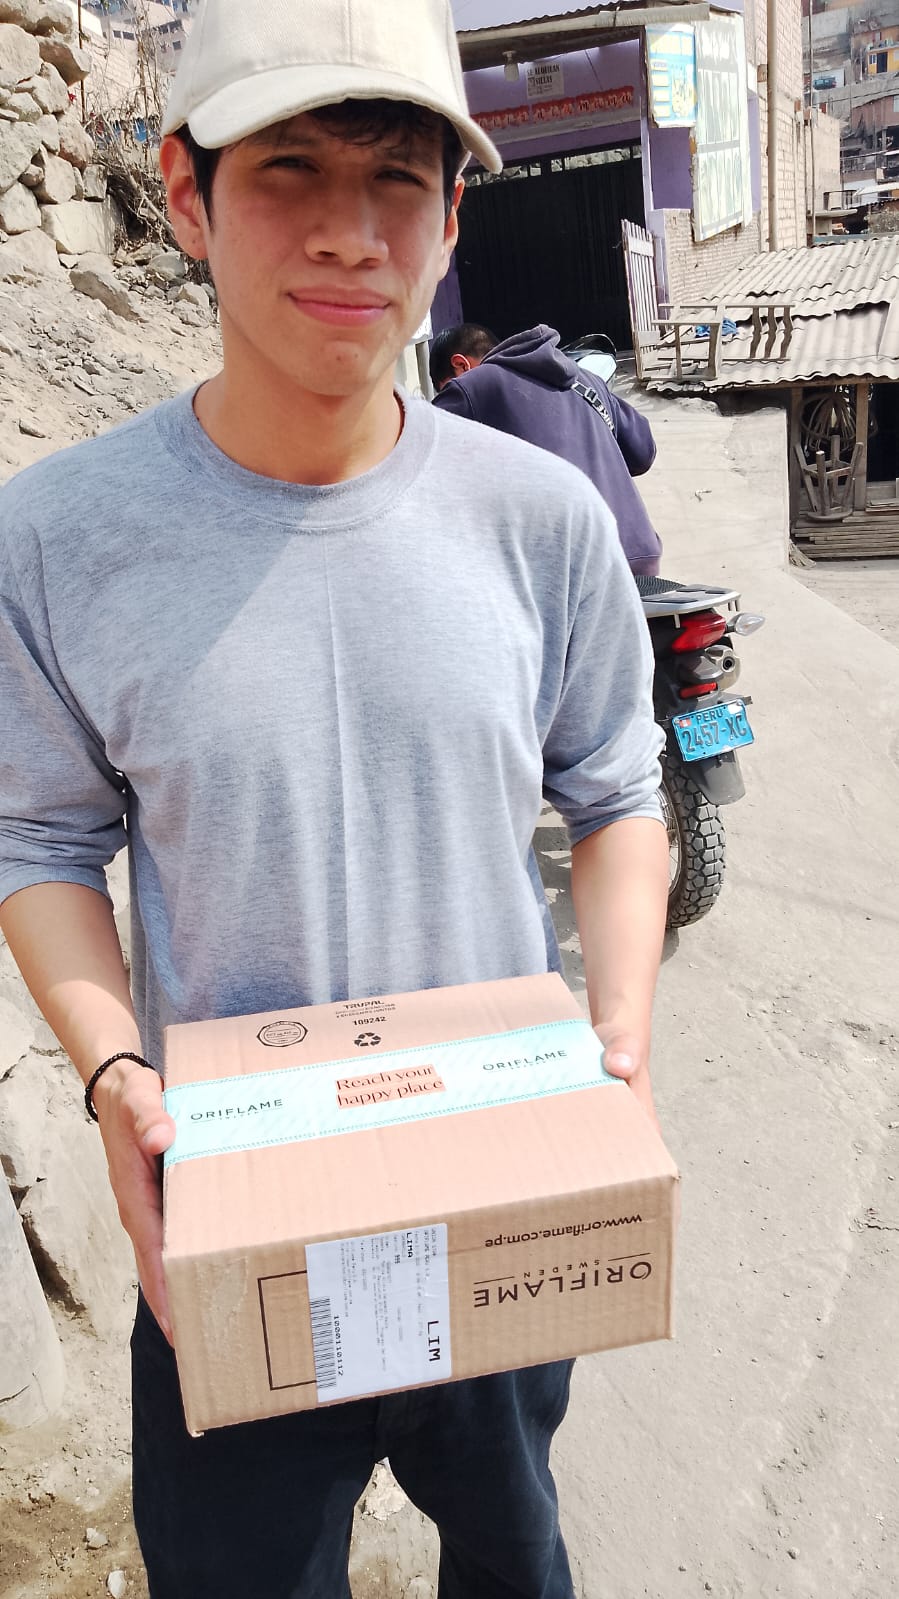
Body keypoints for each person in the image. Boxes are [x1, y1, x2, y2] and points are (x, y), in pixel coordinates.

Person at [0, 1, 669, 1595]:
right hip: (234, 1214)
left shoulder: (540, 520)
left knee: (512, 1555)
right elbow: (38, 837)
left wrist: (620, 1029)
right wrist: (115, 1078)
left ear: (451, 215)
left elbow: (616, 790)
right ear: (184, 193)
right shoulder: (62, 538)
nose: (350, 233)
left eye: (396, 178)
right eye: (289, 167)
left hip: (496, 1186)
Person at [431, 322, 664, 576]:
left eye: (445, 386)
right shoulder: (588, 380)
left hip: (570, 572)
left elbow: (422, 467)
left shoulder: (471, 387)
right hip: (639, 556)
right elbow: (643, 452)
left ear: (461, 365)